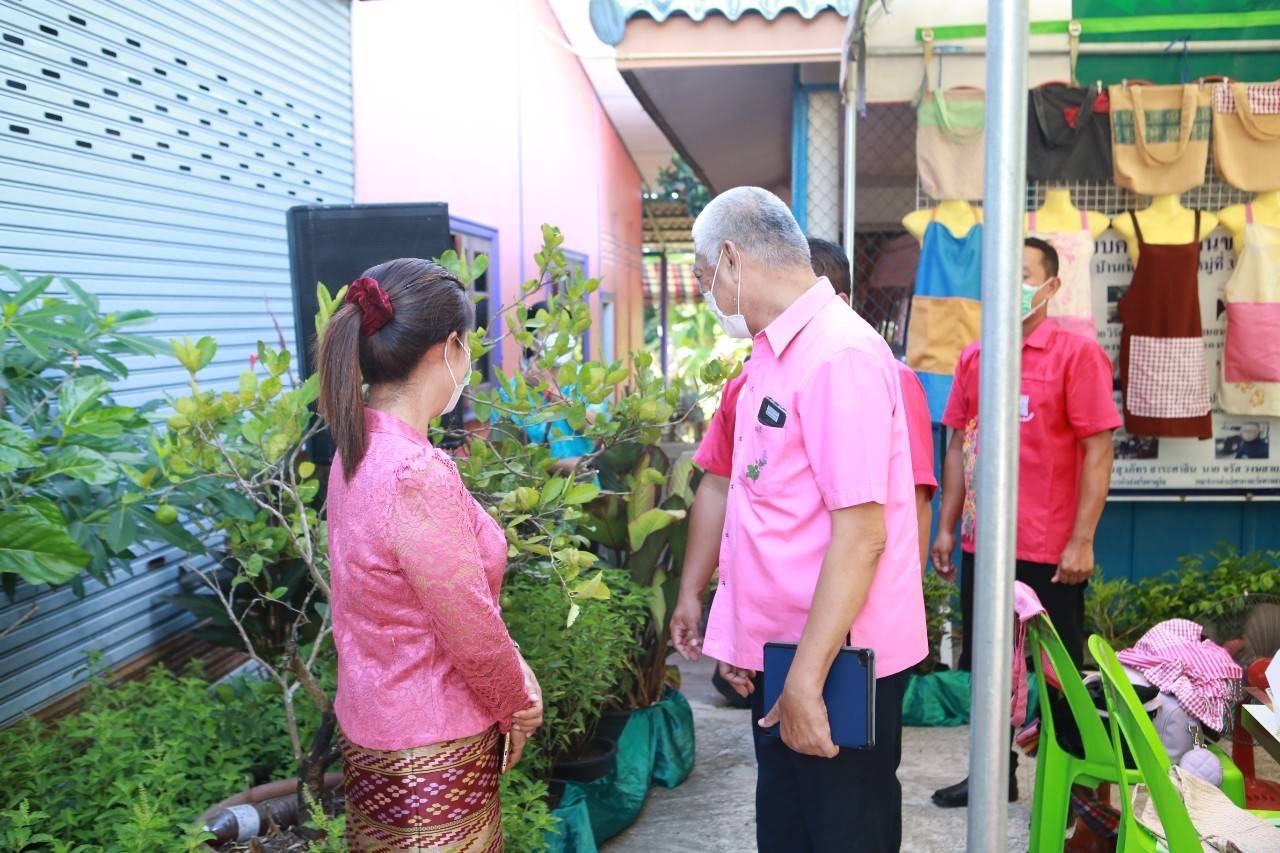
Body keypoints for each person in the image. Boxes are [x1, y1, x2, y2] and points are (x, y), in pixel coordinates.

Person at [678, 187, 927, 852]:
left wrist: (806, 680)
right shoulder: (775, 351)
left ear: (732, 259)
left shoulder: (837, 356)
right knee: (790, 834)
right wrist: (744, 643)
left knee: (843, 832)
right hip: (789, 657)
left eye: (704, 277)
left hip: (834, 665)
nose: (705, 293)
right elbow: (763, 505)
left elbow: (861, 532)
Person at [318, 260, 543, 851]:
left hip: (371, 736)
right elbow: (466, 625)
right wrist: (517, 705)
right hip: (431, 750)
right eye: (467, 348)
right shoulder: (415, 472)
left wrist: (512, 670)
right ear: (448, 348)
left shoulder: (353, 456)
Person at [673, 238, 939, 704]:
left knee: (844, 769)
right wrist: (728, 620)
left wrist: (893, 617)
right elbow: (723, 489)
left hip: (849, 638)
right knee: (783, 771)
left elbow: (902, 510)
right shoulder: (754, 376)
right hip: (775, 635)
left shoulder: (860, 366)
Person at [929, 238, 1120, 808]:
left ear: (1052, 286)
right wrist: (945, 527)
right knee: (985, 669)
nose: (1009, 283)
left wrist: (1082, 539)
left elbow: (1099, 450)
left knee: (1060, 674)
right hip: (982, 544)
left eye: (1023, 272)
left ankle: (1078, 790)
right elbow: (960, 442)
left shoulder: (1076, 355)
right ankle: (993, 775)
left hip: (1050, 547)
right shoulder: (975, 357)